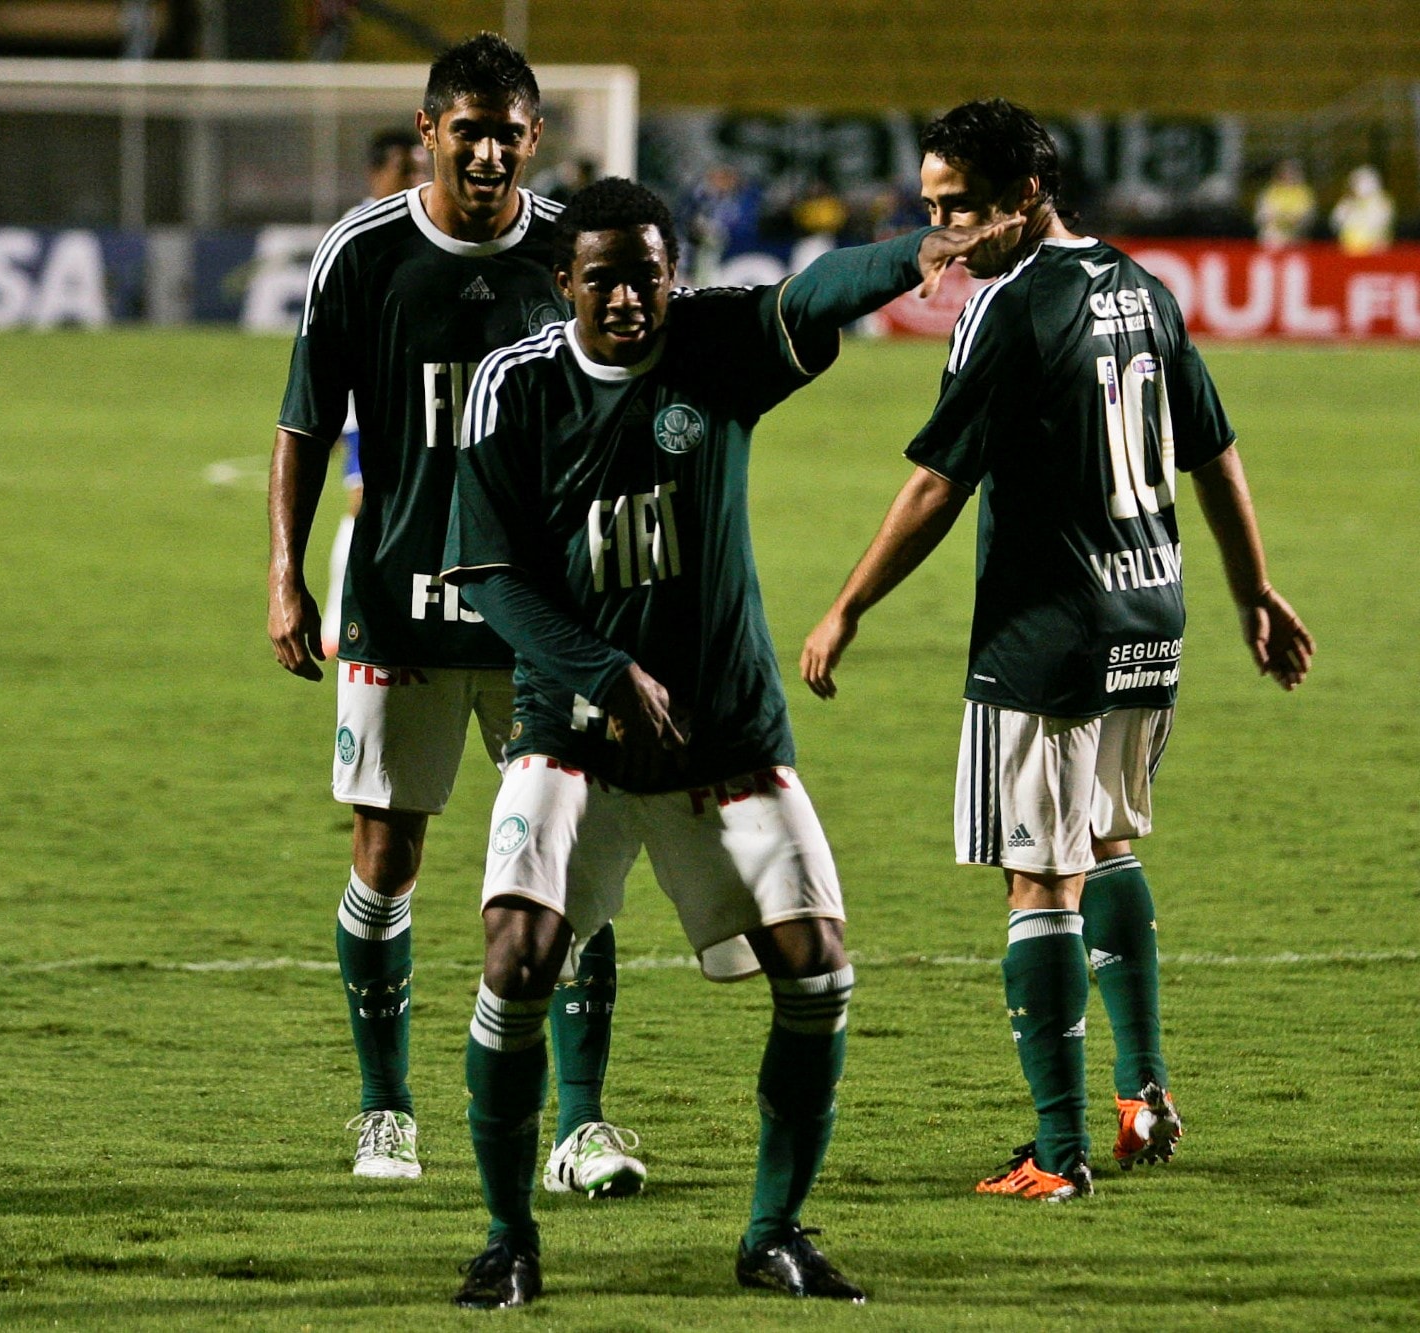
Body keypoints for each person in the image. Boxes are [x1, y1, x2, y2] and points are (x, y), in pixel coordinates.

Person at [441, 176, 1008, 1309]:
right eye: (599, 275)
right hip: (573, 735)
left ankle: (773, 1232)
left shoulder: (711, 345)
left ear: (671, 274)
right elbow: (490, 579)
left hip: (725, 732)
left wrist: (916, 253)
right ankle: (507, 1239)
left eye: (644, 273)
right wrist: (603, 672)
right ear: (563, 283)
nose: (624, 296)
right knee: (515, 955)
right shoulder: (514, 388)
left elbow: (810, 298)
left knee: (818, 971)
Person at [800, 98, 1315, 1203]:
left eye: (959, 212)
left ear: (1024, 197)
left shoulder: (1007, 308)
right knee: (1110, 845)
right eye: (928, 210)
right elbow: (1212, 456)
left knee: (1037, 877)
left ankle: (1055, 1150)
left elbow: (937, 484)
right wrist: (1250, 590)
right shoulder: (1142, 287)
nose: (941, 234)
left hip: (1047, 635)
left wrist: (846, 605)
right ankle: (1142, 1093)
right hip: (1149, 618)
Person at [270, 33, 646, 1195]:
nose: (485, 151)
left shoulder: (572, 251)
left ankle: (577, 1124)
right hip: (399, 596)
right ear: (428, 132)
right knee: (388, 855)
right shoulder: (362, 253)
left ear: (534, 138)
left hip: (543, 609)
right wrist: (283, 573)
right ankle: (384, 1108)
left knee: (565, 860)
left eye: (506, 131)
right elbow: (301, 422)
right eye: (464, 128)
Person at [323, 129, 432, 659]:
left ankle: (405, 610)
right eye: (405, 171)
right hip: (364, 389)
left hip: (418, 391)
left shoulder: (431, 226)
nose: (417, 180)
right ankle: (338, 615)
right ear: (377, 175)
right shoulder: (357, 235)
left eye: (420, 169)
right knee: (363, 500)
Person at [1331, 165, 1395, 255]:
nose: (1356, 187)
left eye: (1359, 182)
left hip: (1374, 251)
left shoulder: (1382, 202)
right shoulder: (1347, 202)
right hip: (1348, 252)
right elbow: (1335, 223)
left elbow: (1378, 223)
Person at [1253, 159, 1315, 248]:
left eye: (1292, 173)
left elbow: (1308, 215)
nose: (1288, 175)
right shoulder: (1270, 191)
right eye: (1285, 172)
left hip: (1296, 233)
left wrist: (1294, 219)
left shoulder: (1304, 192)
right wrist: (1275, 218)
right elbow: (1260, 214)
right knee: (1268, 238)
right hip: (1273, 233)